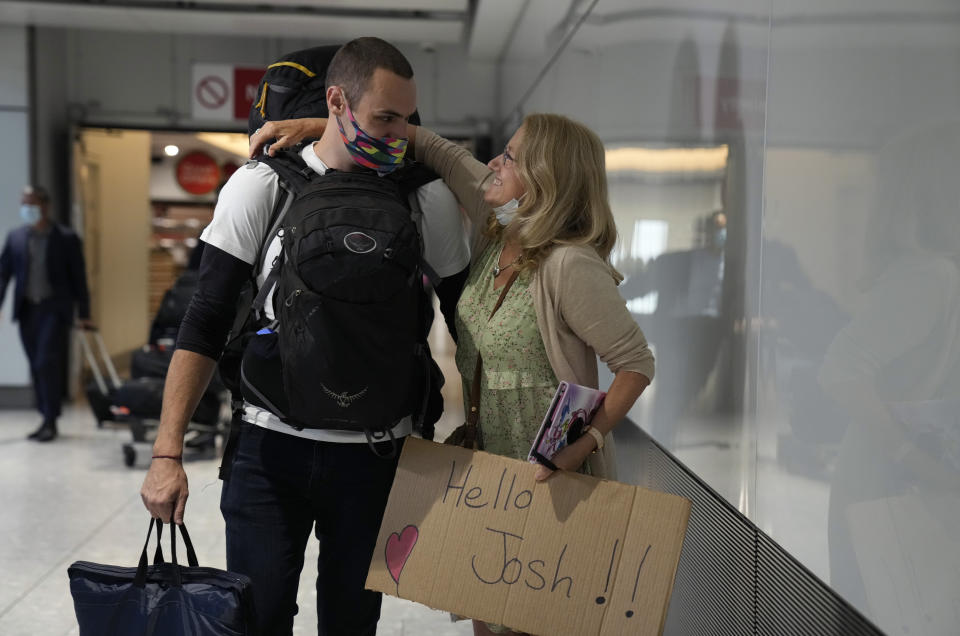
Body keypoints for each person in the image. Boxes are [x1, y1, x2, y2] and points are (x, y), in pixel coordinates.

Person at [253, 112, 655, 636]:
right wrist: (323, 123)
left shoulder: (569, 265)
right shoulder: (500, 241)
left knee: (540, 623)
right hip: (490, 468)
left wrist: (582, 446)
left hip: (550, 474)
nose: (495, 162)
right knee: (489, 620)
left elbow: (636, 364)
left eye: (509, 156)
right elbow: (439, 150)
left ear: (545, 176)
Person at [140, 38, 469, 636]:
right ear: (337, 100)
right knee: (260, 621)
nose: (400, 136)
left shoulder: (426, 196)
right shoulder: (262, 185)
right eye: (385, 118)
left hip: (377, 455)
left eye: (408, 120)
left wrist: (480, 430)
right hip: (270, 449)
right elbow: (206, 319)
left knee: (352, 623)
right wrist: (167, 453)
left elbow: (465, 321)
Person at [0, 185, 92, 442]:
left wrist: (84, 312)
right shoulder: (16, 237)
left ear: (44, 205)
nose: (26, 208)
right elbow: (3, 275)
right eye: (23, 203)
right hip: (27, 309)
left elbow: (78, 278)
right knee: (36, 365)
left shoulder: (65, 238)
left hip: (54, 309)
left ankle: (50, 419)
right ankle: (45, 417)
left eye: (31, 203)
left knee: (45, 362)